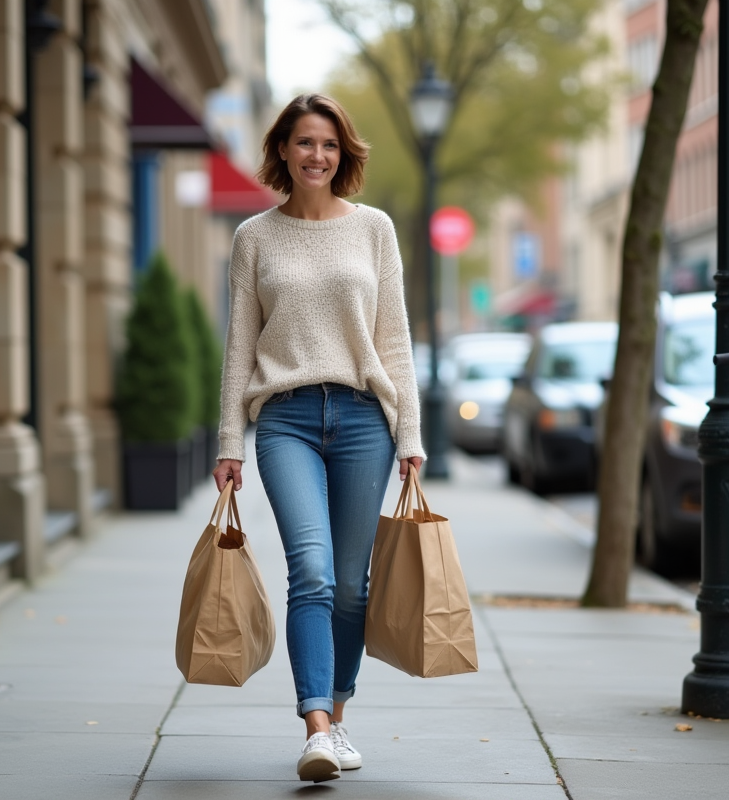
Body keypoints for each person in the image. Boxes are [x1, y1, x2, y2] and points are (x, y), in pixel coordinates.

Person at [212, 93, 425, 783]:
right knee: (312, 567)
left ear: (344, 154)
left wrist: (411, 435)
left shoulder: (375, 230)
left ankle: (338, 714)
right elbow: (239, 345)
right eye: (304, 142)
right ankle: (316, 725)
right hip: (286, 421)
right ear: (282, 150)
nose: (317, 155)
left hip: (365, 420)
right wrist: (229, 442)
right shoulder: (254, 237)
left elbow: (394, 341)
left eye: (329, 144)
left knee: (354, 588)